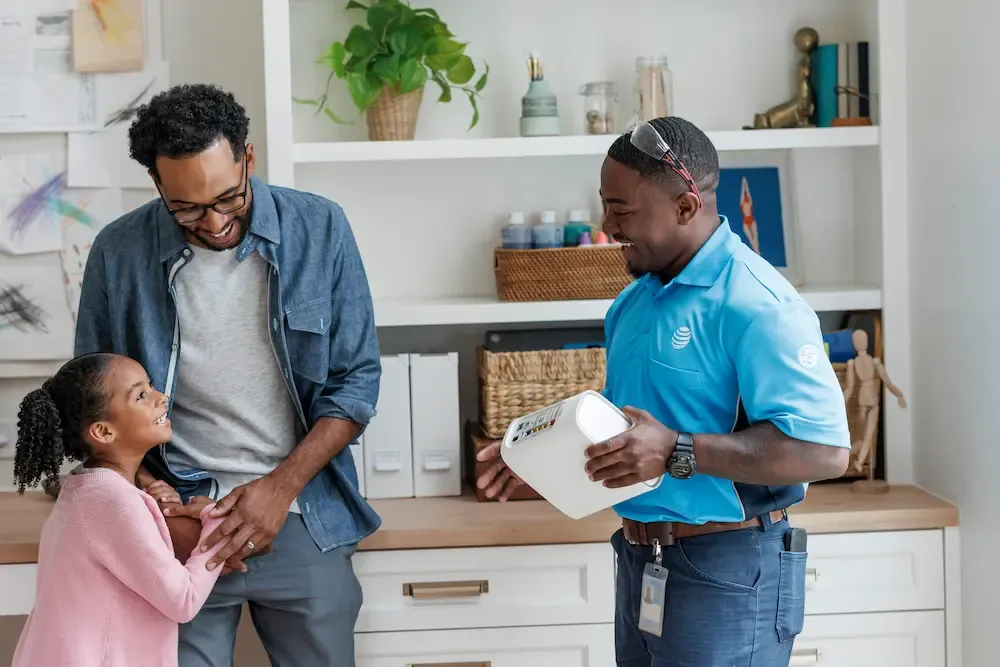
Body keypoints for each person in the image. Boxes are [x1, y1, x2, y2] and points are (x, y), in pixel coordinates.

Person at [477, 116, 850, 666]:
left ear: (684, 206)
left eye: (622, 210)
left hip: (728, 569)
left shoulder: (758, 304)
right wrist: (541, 455)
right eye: (606, 205)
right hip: (639, 560)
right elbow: (632, 430)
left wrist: (678, 449)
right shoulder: (632, 303)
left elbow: (825, 452)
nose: (607, 225)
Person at [74, 83, 381, 667]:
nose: (213, 222)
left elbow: (356, 382)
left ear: (248, 158)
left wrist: (279, 489)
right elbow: (94, 405)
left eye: (228, 198)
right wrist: (156, 507)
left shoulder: (320, 227)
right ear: (158, 185)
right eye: (186, 207)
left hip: (303, 514)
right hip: (175, 527)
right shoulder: (118, 251)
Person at [10, 353, 229, 667]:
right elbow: (183, 600)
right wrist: (214, 522)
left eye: (150, 387)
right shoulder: (114, 501)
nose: (160, 397)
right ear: (103, 432)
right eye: (141, 395)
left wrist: (147, 500)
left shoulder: (84, 488)